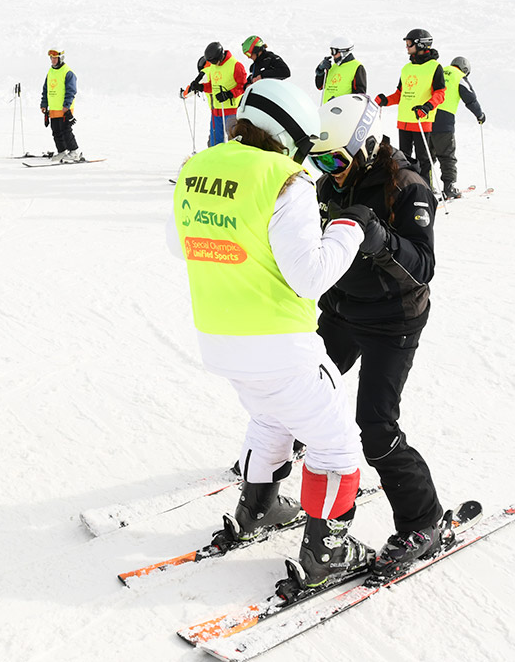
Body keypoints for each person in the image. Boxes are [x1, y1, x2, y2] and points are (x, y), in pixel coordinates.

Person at [168, 79, 375, 589]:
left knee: (270, 416)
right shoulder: (287, 180)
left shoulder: (195, 167)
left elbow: (182, 246)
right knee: (338, 447)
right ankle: (327, 553)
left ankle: (256, 505)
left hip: (218, 337)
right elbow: (309, 275)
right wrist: (348, 229)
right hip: (282, 342)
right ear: (289, 134)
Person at [307, 93, 445, 578]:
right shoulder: (329, 183)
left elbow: (424, 267)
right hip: (344, 310)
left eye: (334, 158)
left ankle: (425, 521)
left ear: (363, 147)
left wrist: (383, 241)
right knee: (304, 386)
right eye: (318, 157)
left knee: (376, 427)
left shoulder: (407, 187)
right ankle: (289, 463)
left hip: (393, 320)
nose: (327, 168)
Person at [375, 29, 445, 186]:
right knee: (404, 158)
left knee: (423, 159)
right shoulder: (406, 69)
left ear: (420, 44)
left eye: (409, 43)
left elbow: (440, 94)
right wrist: (386, 100)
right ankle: (407, 186)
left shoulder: (435, 67)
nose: (406, 47)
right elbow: (400, 94)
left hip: (420, 119)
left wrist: (427, 107)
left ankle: (427, 187)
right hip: (404, 121)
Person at [429, 56, 485, 200]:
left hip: (426, 116)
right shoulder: (459, 77)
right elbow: (470, 99)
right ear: (465, 69)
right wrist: (480, 115)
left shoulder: (439, 70)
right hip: (444, 121)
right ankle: (449, 188)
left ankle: (424, 184)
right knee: (447, 155)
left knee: (427, 155)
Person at [185, 41, 247, 147]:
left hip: (231, 112)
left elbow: (243, 86)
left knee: (234, 142)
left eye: (214, 61)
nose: (213, 64)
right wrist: (202, 87)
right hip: (216, 112)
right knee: (215, 143)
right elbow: (213, 87)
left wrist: (228, 94)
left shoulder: (235, 65)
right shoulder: (213, 67)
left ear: (220, 56)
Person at [40, 48, 80, 162]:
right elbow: (46, 89)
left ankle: (73, 152)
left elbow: (71, 90)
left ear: (60, 58)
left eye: (55, 58)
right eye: (51, 58)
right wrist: (44, 104)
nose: (52, 60)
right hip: (53, 109)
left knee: (66, 130)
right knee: (56, 130)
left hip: (64, 109)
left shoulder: (68, 72)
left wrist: (66, 105)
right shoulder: (50, 71)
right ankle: (62, 152)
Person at [314, 37, 367, 104]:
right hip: (326, 110)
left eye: (334, 51)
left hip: (343, 112)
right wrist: (320, 70)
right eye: (331, 51)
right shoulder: (332, 67)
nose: (332, 55)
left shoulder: (357, 67)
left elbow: (360, 96)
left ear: (343, 52)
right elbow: (320, 86)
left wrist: (340, 103)